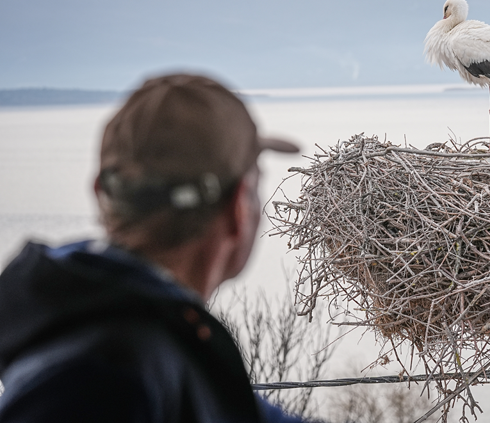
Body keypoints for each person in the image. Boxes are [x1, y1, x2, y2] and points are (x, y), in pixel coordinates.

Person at [0, 74, 306, 423]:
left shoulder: (149, 337)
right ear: (239, 209)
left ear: (101, 193)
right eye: (255, 184)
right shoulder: (109, 379)